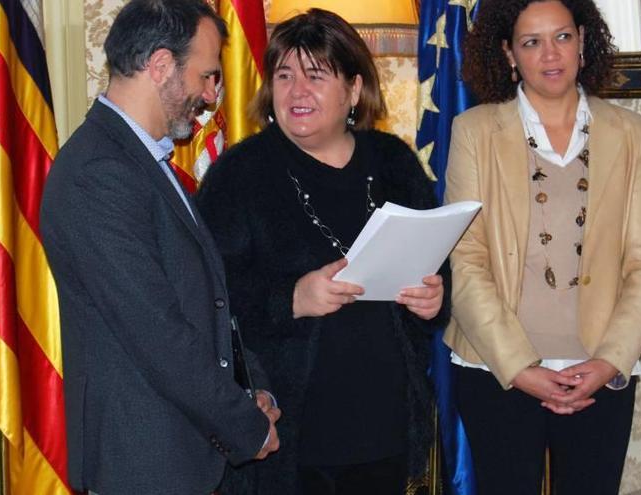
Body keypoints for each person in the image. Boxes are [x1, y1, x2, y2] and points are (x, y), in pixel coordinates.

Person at [196, 8, 448, 495]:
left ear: (354, 89)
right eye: (284, 76)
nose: (296, 92)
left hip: (386, 429)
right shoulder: (239, 174)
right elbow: (205, 299)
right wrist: (290, 298)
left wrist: (434, 300)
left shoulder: (394, 161)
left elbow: (439, 271)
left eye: (315, 76)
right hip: (288, 442)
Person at [39, 1, 280, 493]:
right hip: (145, 465)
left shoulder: (142, 162)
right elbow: (159, 333)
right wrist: (246, 425)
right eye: (207, 76)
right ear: (162, 65)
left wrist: (251, 390)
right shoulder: (97, 174)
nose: (213, 96)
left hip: (183, 456)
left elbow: (208, 302)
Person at [443, 1, 641, 494]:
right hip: (497, 369)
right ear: (508, 54)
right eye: (531, 42)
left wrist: (610, 361)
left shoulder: (629, 133)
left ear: (583, 42)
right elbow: (465, 259)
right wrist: (521, 367)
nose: (550, 54)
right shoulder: (475, 132)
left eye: (562, 37)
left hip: (599, 370)